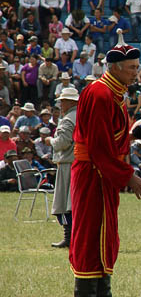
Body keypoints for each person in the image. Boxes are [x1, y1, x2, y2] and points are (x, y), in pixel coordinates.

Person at [69, 30, 141, 297]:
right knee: (90, 234)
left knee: (105, 234)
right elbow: (100, 147)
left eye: (136, 68)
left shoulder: (115, 93)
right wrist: (129, 176)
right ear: (114, 68)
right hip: (93, 173)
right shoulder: (101, 94)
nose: (135, 73)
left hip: (103, 175)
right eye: (131, 68)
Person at [44, 88, 78, 248]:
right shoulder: (82, 116)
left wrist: (50, 140)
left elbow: (62, 143)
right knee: (75, 202)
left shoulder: (68, 119)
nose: (61, 104)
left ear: (70, 102)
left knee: (65, 203)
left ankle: (69, 237)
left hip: (68, 163)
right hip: (80, 162)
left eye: (63, 101)